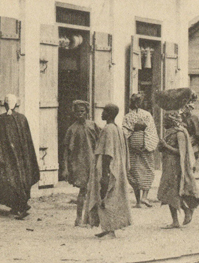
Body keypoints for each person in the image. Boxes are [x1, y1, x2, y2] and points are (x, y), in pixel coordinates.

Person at [82, 104, 133, 238]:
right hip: (116, 168)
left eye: (104, 111)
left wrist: (105, 173)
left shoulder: (108, 130)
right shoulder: (117, 129)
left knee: (106, 198)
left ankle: (110, 230)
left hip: (108, 168)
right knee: (111, 198)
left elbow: (107, 153)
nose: (102, 113)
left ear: (110, 114)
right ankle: (107, 228)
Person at [0, 94, 40, 219]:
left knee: (11, 179)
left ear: (4, 105)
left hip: (8, 155)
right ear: (16, 105)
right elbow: (28, 140)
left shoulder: (1, 119)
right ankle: (20, 205)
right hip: (22, 155)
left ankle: (19, 206)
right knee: (21, 178)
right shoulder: (22, 118)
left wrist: (0, 156)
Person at [157, 110, 199, 228]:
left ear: (172, 121)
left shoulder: (180, 134)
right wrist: (161, 147)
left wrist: (166, 146)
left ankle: (186, 210)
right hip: (168, 165)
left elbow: (181, 153)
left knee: (174, 191)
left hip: (176, 167)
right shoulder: (169, 133)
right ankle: (175, 221)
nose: (164, 124)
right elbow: (164, 149)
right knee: (168, 192)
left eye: (166, 121)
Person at [62, 100, 100, 226]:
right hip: (79, 164)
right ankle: (78, 218)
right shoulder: (72, 129)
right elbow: (66, 150)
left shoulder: (93, 126)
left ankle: (92, 219)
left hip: (93, 162)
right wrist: (66, 168)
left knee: (95, 191)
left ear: (87, 112)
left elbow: (101, 140)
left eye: (82, 112)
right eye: (77, 112)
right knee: (83, 191)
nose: (80, 114)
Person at [123, 93, 158, 208]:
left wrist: (140, 145)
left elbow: (127, 133)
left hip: (140, 149)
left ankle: (141, 199)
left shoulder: (131, 116)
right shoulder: (141, 115)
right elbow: (126, 133)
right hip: (138, 149)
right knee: (136, 173)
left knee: (142, 172)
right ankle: (142, 199)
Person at [182, 101, 199, 175]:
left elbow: (198, 133)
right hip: (183, 141)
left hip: (193, 142)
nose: (184, 109)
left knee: (191, 160)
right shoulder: (180, 117)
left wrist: (194, 141)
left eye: (186, 108)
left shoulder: (194, 118)